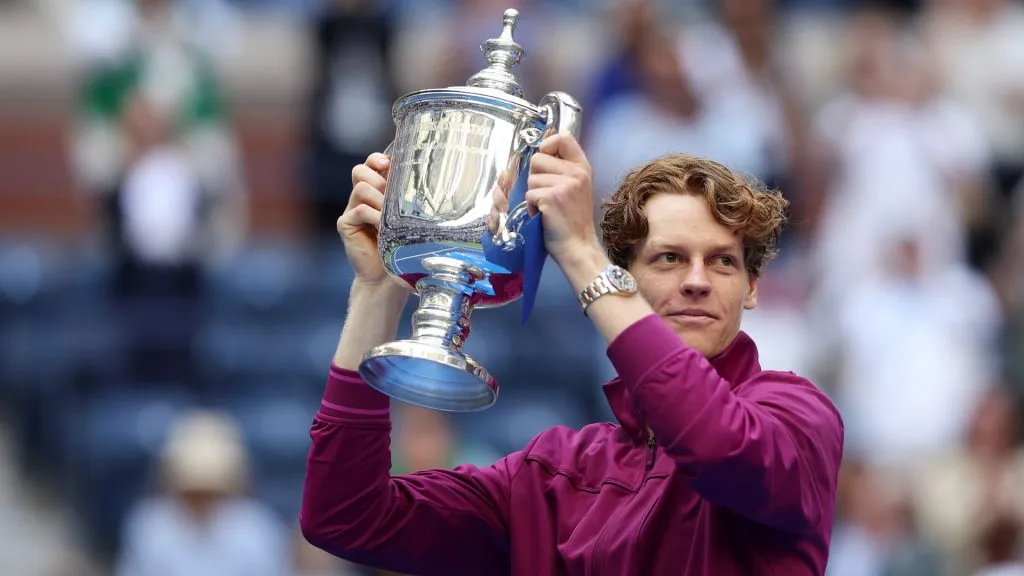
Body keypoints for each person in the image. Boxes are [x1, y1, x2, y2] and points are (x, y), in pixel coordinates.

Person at [300, 133, 845, 575]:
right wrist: (378, 289)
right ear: (627, 279)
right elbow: (345, 516)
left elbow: (714, 445)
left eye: (723, 262)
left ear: (752, 288)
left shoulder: (798, 416)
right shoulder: (553, 472)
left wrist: (581, 253)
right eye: (669, 259)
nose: (697, 281)